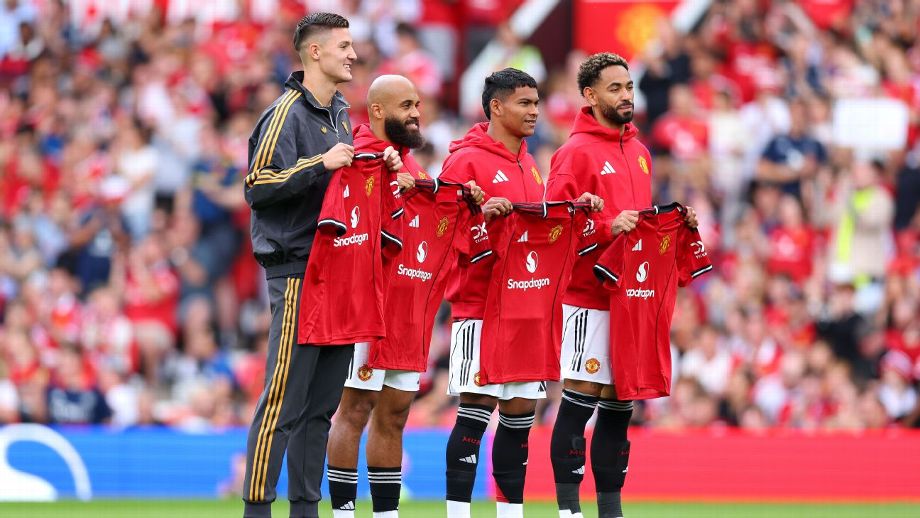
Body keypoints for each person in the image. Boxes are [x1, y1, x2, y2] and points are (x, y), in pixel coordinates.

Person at [241, 13, 402, 518]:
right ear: (315, 53)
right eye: (344, 46)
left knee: (319, 410)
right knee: (282, 404)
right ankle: (256, 510)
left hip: (338, 275)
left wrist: (381, 159)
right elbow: (256, 186)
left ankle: (305, 509)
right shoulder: (286, 113)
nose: (353, 54)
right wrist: (320, 164)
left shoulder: (337, 111)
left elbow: (343, 176)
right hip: (295, 274)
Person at [438, 68, 599, 518]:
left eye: (536, 102)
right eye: (525, 103)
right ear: (496, 107)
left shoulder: (529, 163)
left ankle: (511, 513)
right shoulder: (464, 162)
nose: (535, 111)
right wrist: (481, 216)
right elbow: (442, 233)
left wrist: (575, 212)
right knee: (476, 408)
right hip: (480, 305)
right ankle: (458, 513)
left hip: (528, 305)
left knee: (520, 414)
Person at [545, 53, 697, 518]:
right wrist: (609, 227)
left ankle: (610, 510)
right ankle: (569, 510)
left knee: (619, 405)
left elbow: (640, 231)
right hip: (587, 298)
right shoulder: (573, 154)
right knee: (579, 401)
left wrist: (674, 226)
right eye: (615, 88)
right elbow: (551, 230)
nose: (626, 95)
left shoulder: (641, 152)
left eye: (629, 87)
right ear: (589, 96)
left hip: (633, 299)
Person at [323, 75, 429, 518]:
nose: (416, 113)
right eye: (407, 105)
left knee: (396, 413)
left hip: (408, 312)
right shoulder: (355, 156)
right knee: (355, 407)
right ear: (380, 110)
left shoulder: (415, 170)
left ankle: (386, 513)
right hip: (366, 306)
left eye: (418, 104)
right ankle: (345, 513)